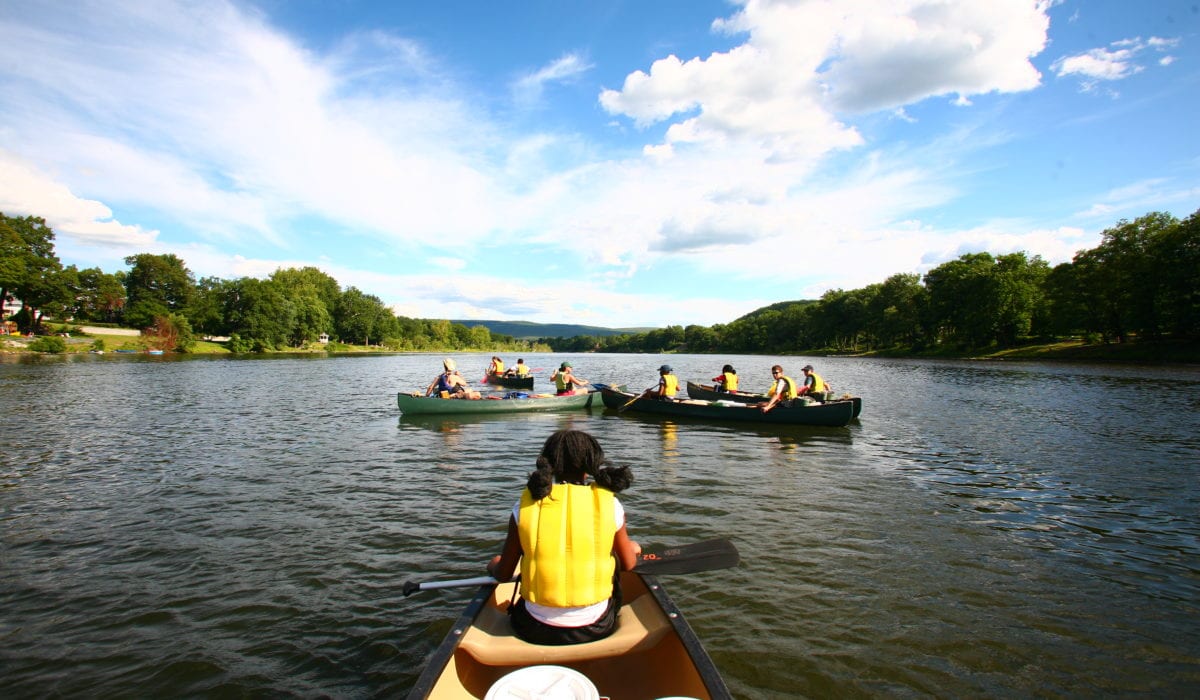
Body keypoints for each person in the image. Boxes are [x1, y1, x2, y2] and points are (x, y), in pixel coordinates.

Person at [486, 429, 641, 645]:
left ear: (550, 463)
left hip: (534, 627)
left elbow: (504, 574)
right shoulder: (610, 504)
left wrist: (493, 565)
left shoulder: (525, 505)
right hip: (596, 626)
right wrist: (633, 548)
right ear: (590, 466)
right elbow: (628, 564)